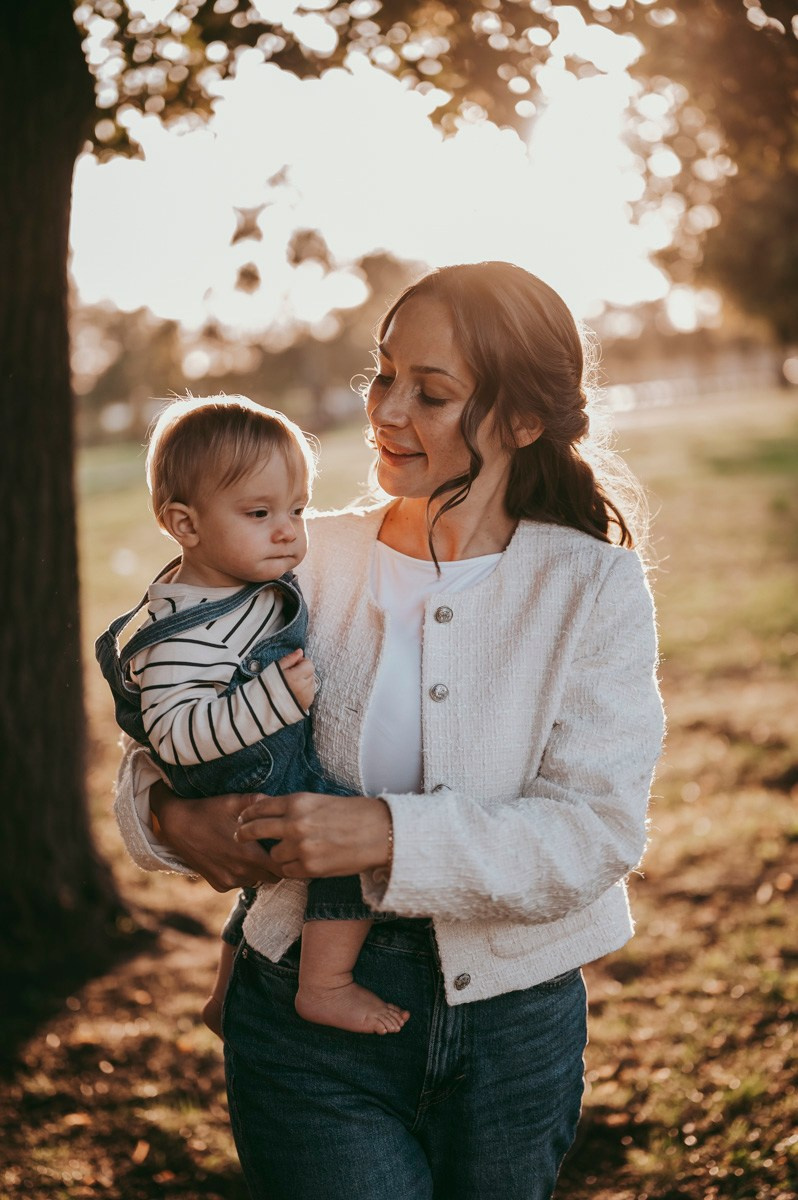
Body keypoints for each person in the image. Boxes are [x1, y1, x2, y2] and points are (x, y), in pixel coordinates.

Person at [113, 261, 664, 1200]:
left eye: (432, 393)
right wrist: (167, 820)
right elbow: (163, 726)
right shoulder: (295, 554)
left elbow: (596, 830)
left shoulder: (592, 585)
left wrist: (384, 833)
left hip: (514, 1022)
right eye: (384, 373)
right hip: (298, 1018)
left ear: (522, 422)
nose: (386, 409)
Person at [96, 395, 409, 1037]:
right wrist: (269, 701)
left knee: (262, 895)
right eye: (260, 513)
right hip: (243, 770)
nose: (291, 530)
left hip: (258, 764)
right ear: (185, 525)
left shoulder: (234, 583)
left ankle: (223, 995)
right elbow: (175, 741)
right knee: (346, 852)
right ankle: (325, 985)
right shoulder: (178, 635)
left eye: (296, 508)